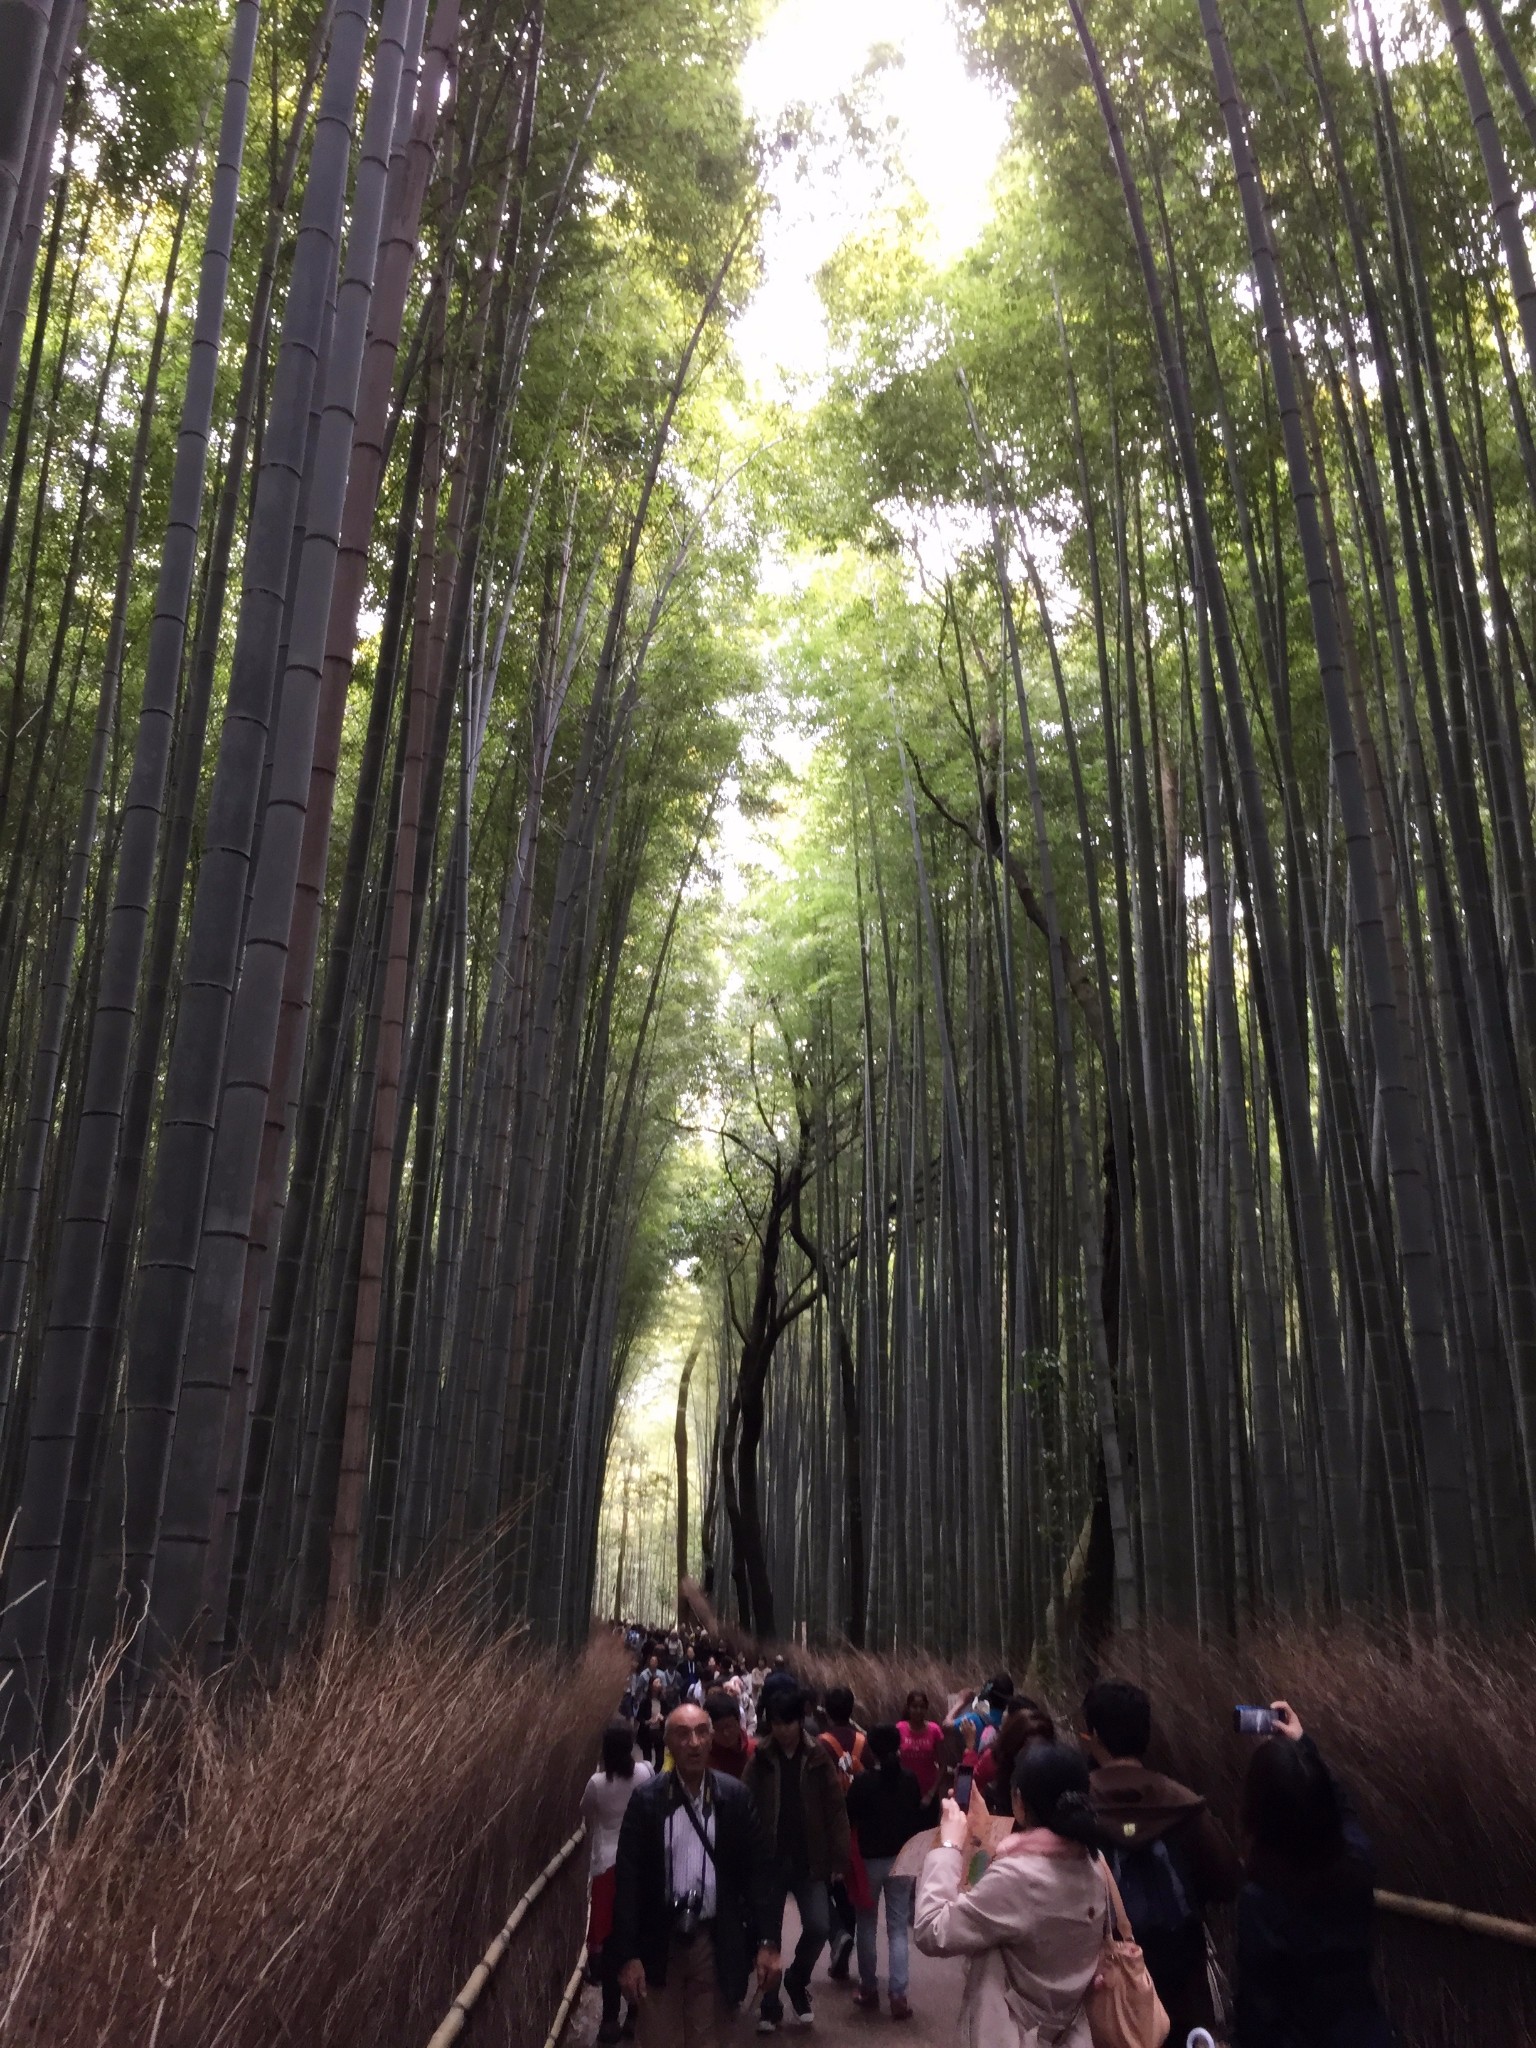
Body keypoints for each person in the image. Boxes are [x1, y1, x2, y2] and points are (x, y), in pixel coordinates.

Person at [915, 1738, 1112, 2046]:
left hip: (1013, 2036)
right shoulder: (1093, 1864)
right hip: (1070, 2035)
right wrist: (983, 1829)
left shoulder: (1017, 1878)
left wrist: (949, 1845)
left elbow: (932, 1929)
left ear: (1018, 1800)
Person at [612, 1702, 782, 2048]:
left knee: (710, 2038)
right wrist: (627, 1954)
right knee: (659, 2036)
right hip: (659, 1938)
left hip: (713, 1937)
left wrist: (768, 1942)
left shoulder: (734, 1798)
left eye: (702, 1732)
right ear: (668, 1743)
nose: (694, 1743)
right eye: (683, 1734)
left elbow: (759, 1874)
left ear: (711, 1740)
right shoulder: (647, 1802)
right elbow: (628, 1881)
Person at [1082, 1676, 1240, 2043]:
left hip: (1100, 1990)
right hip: (1179, 1989)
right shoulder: (1184, 1805)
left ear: (1093, 1735)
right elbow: (1228, 1880)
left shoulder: (1074, 1806)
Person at [1233, 1701, 1394, 2048]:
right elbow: (1343, 1809)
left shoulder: (1261, 1902)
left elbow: (1257, 2011)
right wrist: (1305, 1747)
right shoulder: (1357, 1864)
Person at [743, 1687, 851, 2032]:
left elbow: (835, 1809)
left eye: (788, 1723)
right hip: (770, 1859)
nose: (782, 1730)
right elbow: (745, 1802)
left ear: (799, 1721)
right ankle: (769, 2004)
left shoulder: (817, 1755)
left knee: (819, 1925)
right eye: (776, 1723)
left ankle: (797, 1979)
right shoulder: (760, 1757)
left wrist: (839, 1858)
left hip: (810, 1858)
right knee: (768, 1934)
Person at [846, 1722, 935, 2020]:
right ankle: (898, 1994)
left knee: (866, 1924)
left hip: (869, 1859)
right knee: (897, 1928)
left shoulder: (863, 1782)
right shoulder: (909, 1779)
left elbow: (851, 1815)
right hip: (902, 1858)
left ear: (871, 1748)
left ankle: (868, 1987)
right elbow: (917, 1814)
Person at [582, 1721, 656, 2044]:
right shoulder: (645, 1773)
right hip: (639, 1861)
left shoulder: (598, 1783)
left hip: (607, 1865)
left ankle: (609, 2019)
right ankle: (635, 2015)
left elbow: (585, 1811)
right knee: (637, 1937)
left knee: (611, 1943)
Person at [977, 1696, 1056, 1816]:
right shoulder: (1050, 1772)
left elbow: (970, 1783)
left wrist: (969, 1746)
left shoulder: (994, 1756)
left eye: (1007, 1711)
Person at [897, 1689, 945, 1799]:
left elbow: (942, 1765)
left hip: (928, 1793)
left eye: (922, 1707)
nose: (918, 1710)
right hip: (904, 1792)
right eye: (914, 1706)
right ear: (908, 1708)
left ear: (926, 1708)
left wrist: (931, 1793)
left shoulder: (935, 1730)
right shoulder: (899, 1728)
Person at [706, 1688, 756, 1779]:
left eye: (729, 1726)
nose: (726, 1733)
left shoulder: (755, 1750)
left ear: (739, 1721)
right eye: (718, 1728)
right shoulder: (706, 1757)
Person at [636, 1674, 667, 1772]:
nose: (659, 1684)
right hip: (647, 1732)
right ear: (651, 1685)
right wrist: (649, 1721)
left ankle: (655, 1776)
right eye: (656, 1682)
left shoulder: (663, 1701)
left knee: (660, 1760)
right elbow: (639, 1717)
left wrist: (663, 1718)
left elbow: (668, 1714)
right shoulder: (645, 1701)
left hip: (659, 1732)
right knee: (647, 1760)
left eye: (660, 1682)